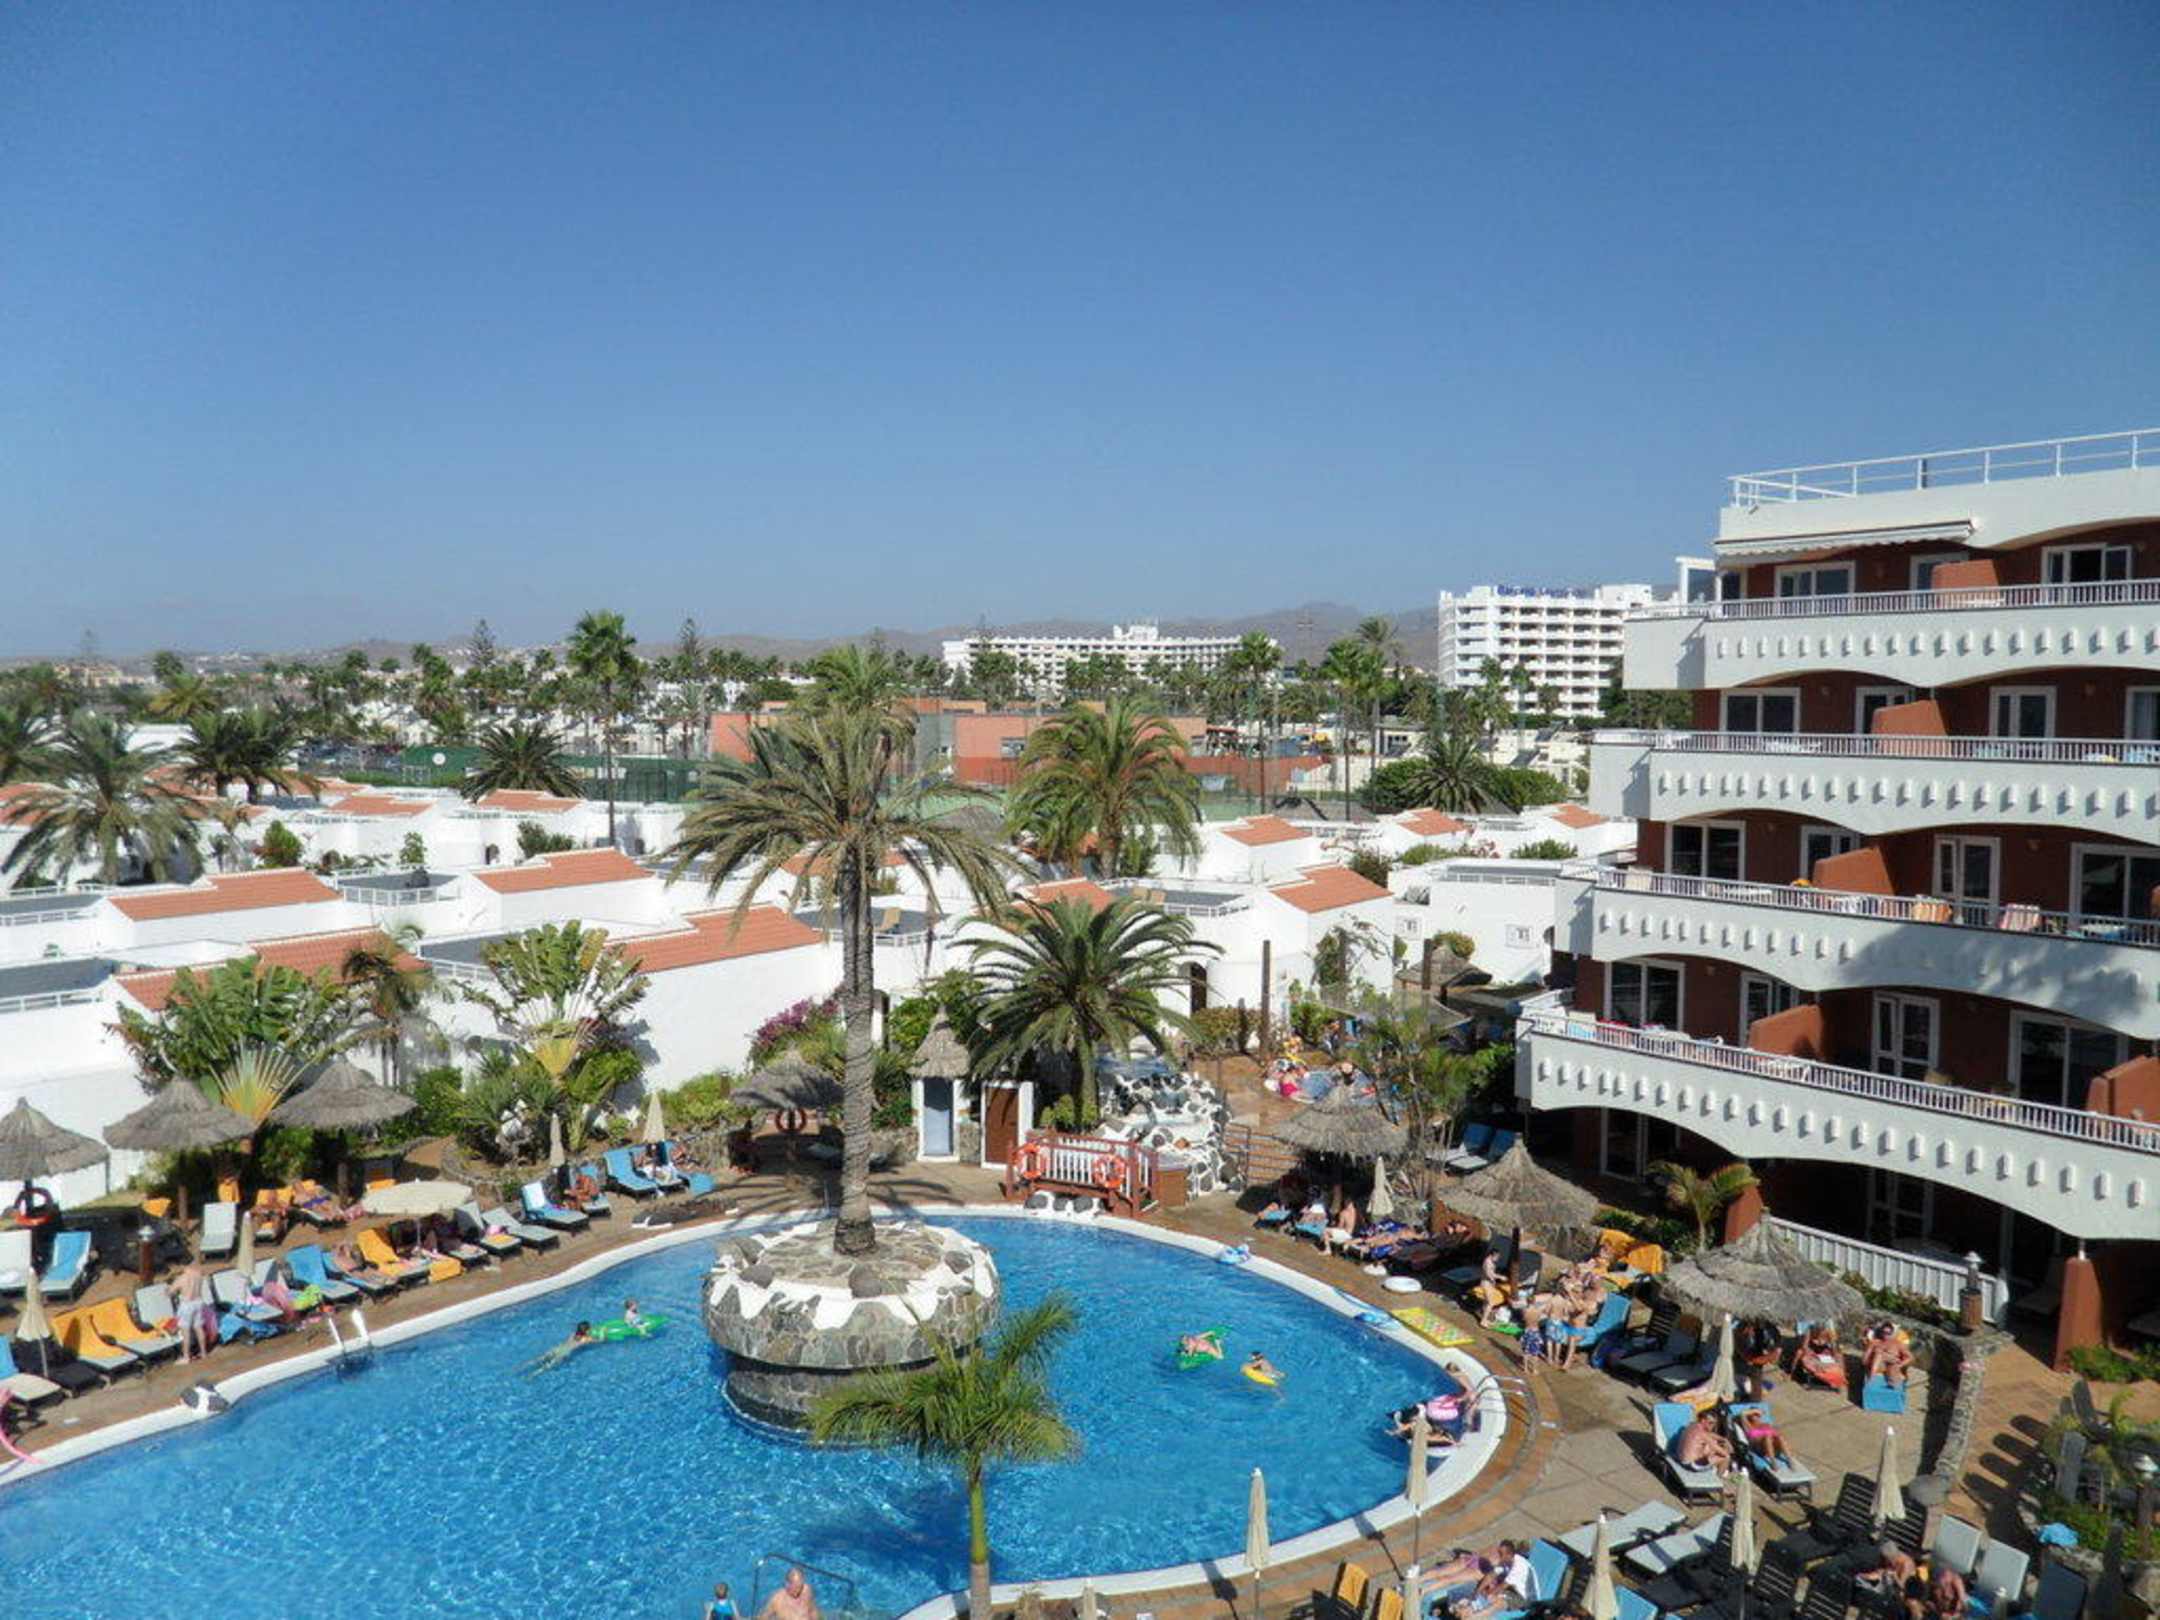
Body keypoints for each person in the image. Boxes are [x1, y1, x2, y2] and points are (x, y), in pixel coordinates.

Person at [176, 1259, 216, 1364]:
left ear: (182, 1266)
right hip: (198, 1303)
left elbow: (170, 1291)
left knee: (186, 1332)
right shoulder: (198, 1275)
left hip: (187, 1305)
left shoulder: (182, 1278)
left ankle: (186, 1357)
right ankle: (203, 1353)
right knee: (199, 1328)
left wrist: (167, 1290)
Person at [1674, 1407, 1736, 1474]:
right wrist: (1728, 1450)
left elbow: (1710, 1434)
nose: (1712, 1426)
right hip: (1690, 1465)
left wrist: (1724, 1439)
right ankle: (1719, 1477)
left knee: (1708, 1447)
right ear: (1703, 1421)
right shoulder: (1703, 1435)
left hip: (1680, 1458)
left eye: (1714, 1424)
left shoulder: (1691, 1426)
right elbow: (1723, 1453)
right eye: (1710, 1423)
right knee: (1726, 1458)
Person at [527, 1321, 599, 1375]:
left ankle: (522, 1366)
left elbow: (577, 1328)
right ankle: (532, 1375)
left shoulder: (573, 1334)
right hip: (564, 1352)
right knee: (548, 1366)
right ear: (586, 1331)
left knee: (539, 1359)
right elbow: (598, 1340)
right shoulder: (586, 1339)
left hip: (557, 1348)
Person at [1793, 1321, 1847, 1391]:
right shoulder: (1810, 1330)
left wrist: (1834, 1355)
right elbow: (1804, 1346)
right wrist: (1811, 1353)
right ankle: (1794, 1372)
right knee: (1802, 1354)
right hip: (1812, 1350)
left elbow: (1834, 1348)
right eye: (1818, 1331)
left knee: (1839, 1356)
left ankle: (1839, 1378)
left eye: (1822, 1330)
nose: (1820, 1333)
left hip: (1824, 1352)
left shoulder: (1829, 1332)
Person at [1735, 1317, 1781, 1400]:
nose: (1752, 1331)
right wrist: (1771, 1356)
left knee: (1761, 1386)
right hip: (1740, 1372)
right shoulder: (1739, 1335)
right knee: (1751, 1386)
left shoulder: (1760, 1333)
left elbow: (1771, 1356)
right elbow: (1750, 1358)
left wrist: (1773, 1353)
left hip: (1748, 1372)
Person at [1863, 1321, 1913, 1387]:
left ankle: (1894, 1383)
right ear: (1881, 1333)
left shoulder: (1897, 1344)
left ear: (1892, 1333)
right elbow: (1865, 1358)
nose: (1886, 1335)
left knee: (1894, 1382)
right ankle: (1871, 1379)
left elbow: (1910, 1357)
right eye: (1884, 1332)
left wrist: (1900, 1365)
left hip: (1892, 1365)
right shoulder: (1874, 1343)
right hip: (1878, 1366)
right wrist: (1867, 1363)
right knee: (1879, 1354)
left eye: (1888, 1333)